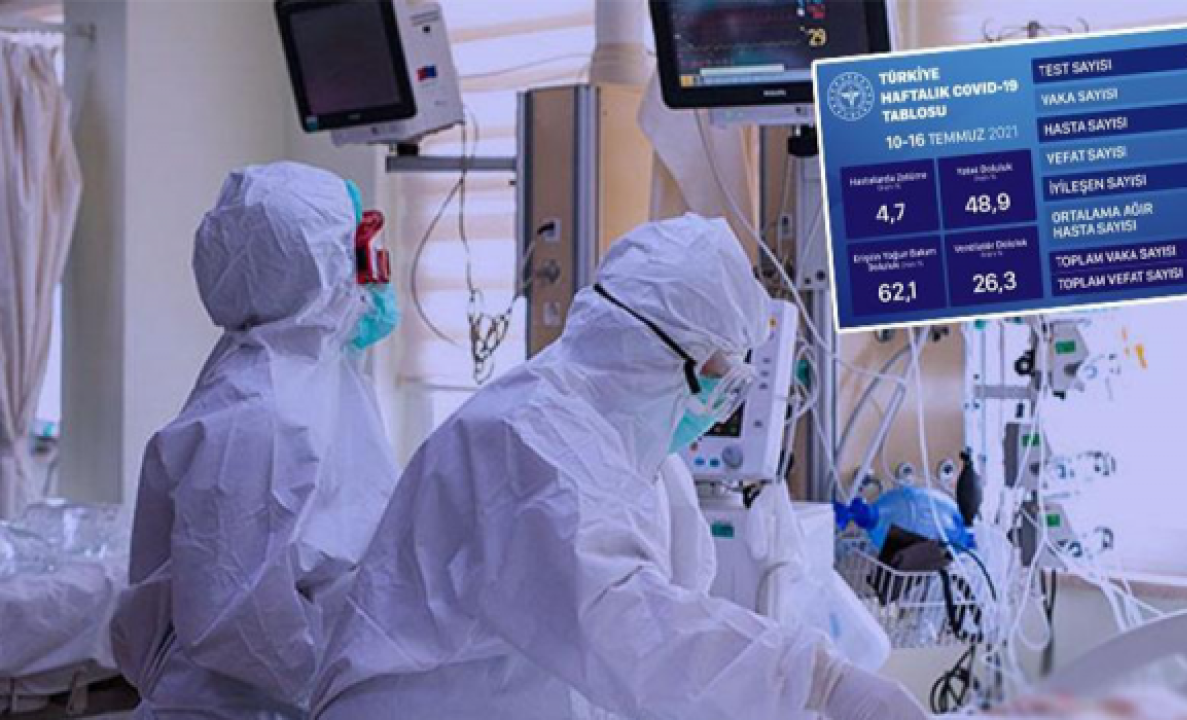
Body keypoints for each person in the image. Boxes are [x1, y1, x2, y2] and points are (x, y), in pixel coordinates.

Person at [312, 214, 927, 720]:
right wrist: (819, 680)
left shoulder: (634, 452)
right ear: (662, 355)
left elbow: (660, 627)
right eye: (719, 379)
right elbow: (630, 630)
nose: (718, 406)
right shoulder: (531, 442)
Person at [111, 162, 402, 719]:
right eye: (363, 253)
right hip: (240, 705)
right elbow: (237, 621)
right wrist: (348, 683)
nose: (377, 276)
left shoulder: (315, 375)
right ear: (315, 269)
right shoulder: (257, 414)